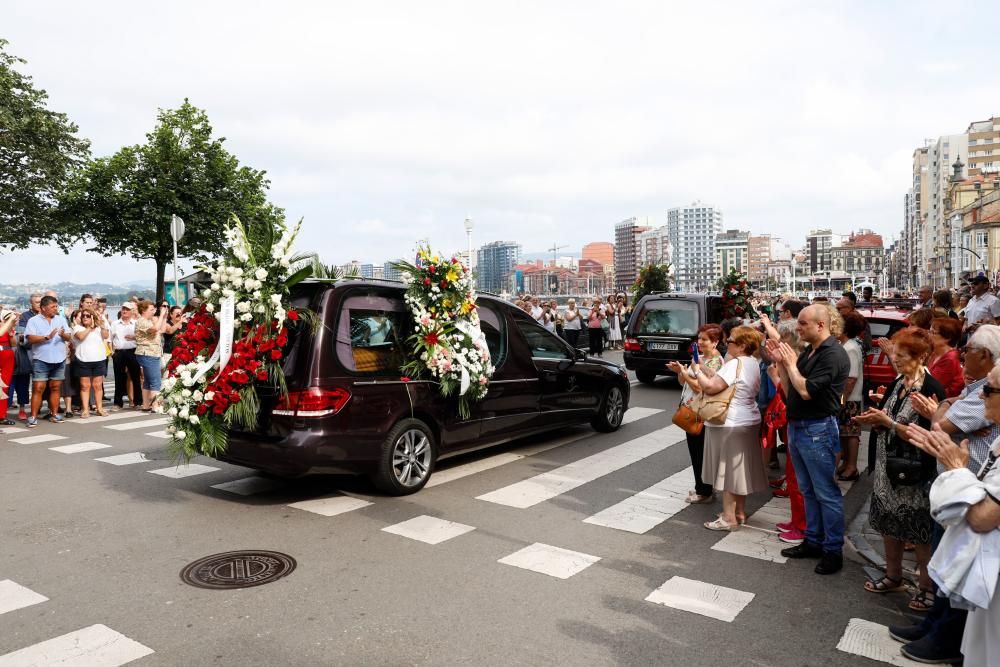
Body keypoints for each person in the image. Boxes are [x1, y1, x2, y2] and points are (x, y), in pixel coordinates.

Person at [895, 324, 1000, 662]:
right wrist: (948, 407)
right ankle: (936, 626)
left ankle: (944, 639)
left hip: (973, 509)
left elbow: (984, 517)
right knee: (948, 571)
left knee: (961, 579)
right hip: (963, 497)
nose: (983, 395)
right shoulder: (976, 390)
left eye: (990, 392)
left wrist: (956, 467)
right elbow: (945, 415)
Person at [853, 328, 945, 610]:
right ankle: (893, 575)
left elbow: (926, 434)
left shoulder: (930, 388)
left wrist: (888, 422)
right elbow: (891, 416)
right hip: (887, 466)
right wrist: (878, 414)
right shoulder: (900, 381)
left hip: (914, 470)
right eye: (894, 354)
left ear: (920, 357)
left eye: (901, 356)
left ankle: (926, 587)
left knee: (919, 532)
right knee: (888, 524)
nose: (895, 360)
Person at [765, 304, 850, 574]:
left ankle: (833, 550)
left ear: (821, 325)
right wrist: (781, 363)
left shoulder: (833, 354)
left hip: (818, 428)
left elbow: (806, 391)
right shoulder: (812, 351)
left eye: (803, 323)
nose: (798, 328)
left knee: (826, 493)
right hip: (799, 426)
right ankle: (813, 540)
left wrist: (790, 364)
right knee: (807, 490)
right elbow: (790, 391)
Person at [690, 325, 768, 531]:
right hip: (748, 420)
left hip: (729, 422)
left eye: (731, 341)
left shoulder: (735, 363)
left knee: (726, 472)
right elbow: (719, 377)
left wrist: (697, 371)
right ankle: (739, 513)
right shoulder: (752, 362)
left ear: (742, 345)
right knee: (739, 470)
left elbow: (710, 386)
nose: (727, 343)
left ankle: (728, 517)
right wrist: (704, 367)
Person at [667, 324, 724, 505]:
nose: (699, 342)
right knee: (696, 451)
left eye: (704, 339)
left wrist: (685, 372)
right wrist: (680, 373)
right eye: (698, 338)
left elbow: (701, 388)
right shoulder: (699, 358)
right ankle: (703, 487)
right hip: (692, 409)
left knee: (700, 452)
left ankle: (704, 491)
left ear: (715, 342)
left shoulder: (715, 361)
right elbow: (684, 382)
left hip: (702, 411)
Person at [24, 295, 73, 427]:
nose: (56, 309)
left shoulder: (61, 319)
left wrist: (63, 335)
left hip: (59, 358)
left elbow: (69, 337)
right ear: (44, 308)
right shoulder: (33, 321)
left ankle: (54, 414)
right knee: (38, 388)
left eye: (56, 306)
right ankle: (33, 416)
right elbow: (30, 339)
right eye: (53, 307)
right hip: (41, 359)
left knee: (55, 387)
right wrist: (46, 337)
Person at [836, 311, 867, 482]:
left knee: (851, 433)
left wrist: (842, 399)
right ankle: (846, 463)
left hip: (850, 397)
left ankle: (852, 466)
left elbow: (851, 378)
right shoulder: (846, 345)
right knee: (844, 433)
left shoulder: (851, 348)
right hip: (846, 397)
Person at [72, 307, 110, 418]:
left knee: (97, 386)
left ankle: (99, 408)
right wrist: (89, 327)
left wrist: (102, 324)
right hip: (83, 360)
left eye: (88, 316)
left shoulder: (98, 328)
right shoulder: (77, 328)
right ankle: (85, 409)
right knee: (85, 386)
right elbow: (80, 337)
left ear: (92, 317)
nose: (85, 317)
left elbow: (106, 336)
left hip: (99, 359)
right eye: (83, 316)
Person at [11, 293, 41, 420]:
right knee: (19, 383)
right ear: (31, 303)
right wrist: (38, 338)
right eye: (37, 302)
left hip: (40, 353)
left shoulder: (46, 317)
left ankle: (36, 407)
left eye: (41, 302)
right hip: (26, 356)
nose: (39, 304)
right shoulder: (24, 317)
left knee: (39, 384)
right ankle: (20, 409)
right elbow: (22, 338)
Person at [134, 300, 167, 411]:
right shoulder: (142, 321)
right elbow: (155, 329)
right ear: (143, 311)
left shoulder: (148, 320)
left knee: (148, 381)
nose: (154, 311)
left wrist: (164, 317)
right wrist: (161, 315)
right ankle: (155, 406)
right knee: (155, 381)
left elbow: (162, 329)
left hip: (151, 353)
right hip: (148, 353)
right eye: (151, 309)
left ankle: (146, 405)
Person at [111, 302, 142, 409]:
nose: (125, 311)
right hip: (119, 352)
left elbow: (141, 338)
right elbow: (110, 338)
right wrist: (112, 352)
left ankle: (138, 401)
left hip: (132, 351)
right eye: (123, 309)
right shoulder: (115, 323)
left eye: (127, 309)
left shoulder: (136, 323)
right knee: (118, 378)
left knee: (135, 377)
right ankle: (118, 402)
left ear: (132, 311)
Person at [927, 317, 964, 398]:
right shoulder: (935, 353)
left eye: (933, 332)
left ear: (947, 338)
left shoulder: (950, 359)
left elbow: (930, 387)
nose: (928, 335)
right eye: (929, 331)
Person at [0, 307, 17, 425]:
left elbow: (14, 344)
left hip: (8, 356)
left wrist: (11, 335)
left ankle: (2, 415)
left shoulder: (7, 326)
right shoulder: (4, 325)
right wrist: (10, 319)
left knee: (5, 387)